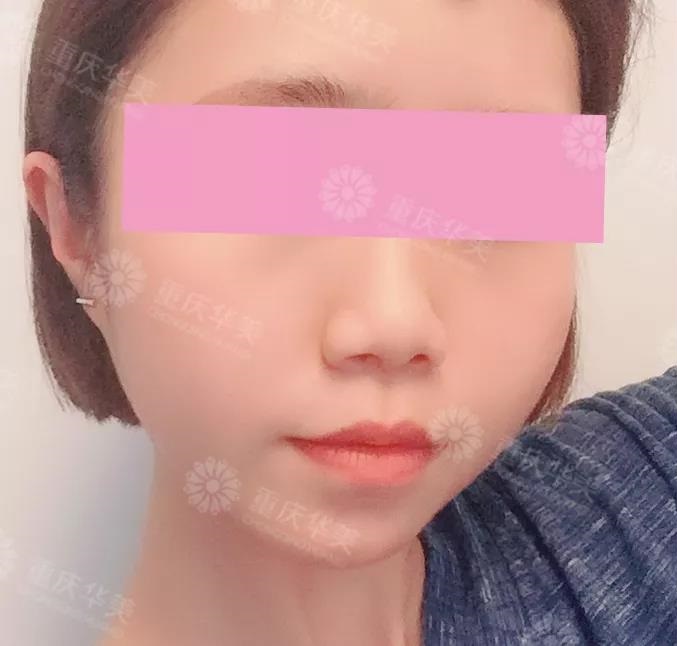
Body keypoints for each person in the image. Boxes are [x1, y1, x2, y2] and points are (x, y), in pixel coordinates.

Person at [21, 0, 675, 644]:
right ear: (75, 229)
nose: (395, 324)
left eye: (499, 187)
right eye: (270, 175)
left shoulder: (635, 512)